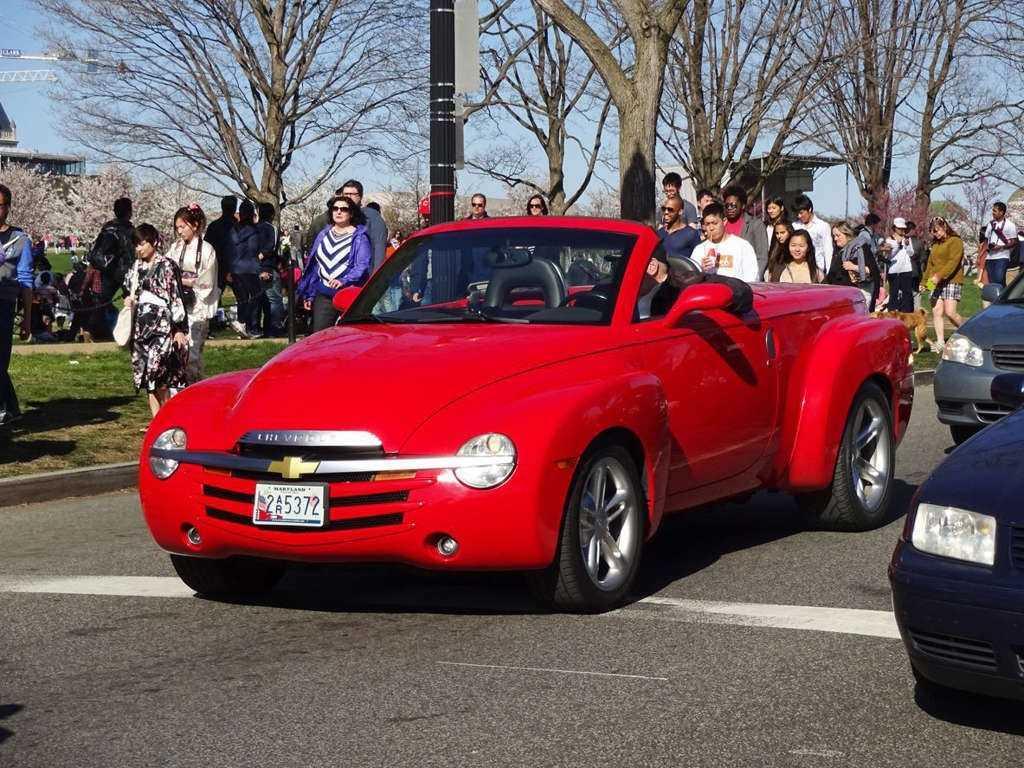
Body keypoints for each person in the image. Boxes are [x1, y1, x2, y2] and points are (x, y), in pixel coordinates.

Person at [124, 223, 190, 417]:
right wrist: (128, 299)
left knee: (158, 371)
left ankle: (168, 414)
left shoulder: (167, 266)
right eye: (136, 244)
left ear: (153, 242)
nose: (139, 248)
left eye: (142, 243)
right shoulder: (135, 268)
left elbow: (176, 297)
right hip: (140, 328)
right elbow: (128, 290)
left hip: (162, 327)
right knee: (146, 376)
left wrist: (178, 329)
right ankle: (157, 419)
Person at [297, 195, 372, 331]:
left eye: (343, 209)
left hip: (349, 296)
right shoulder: (323, 234)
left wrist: (344, 280)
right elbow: (315, 266)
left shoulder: (360, 236)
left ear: (351, 213)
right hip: (324, 294)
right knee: (320, 335)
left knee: (347, 336)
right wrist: (310, 294)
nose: (338, 212)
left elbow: (362, 265)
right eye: (335, 208)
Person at [166, 204, 218, 384]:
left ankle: (194, 384)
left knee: (193, 350)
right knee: (177, 347)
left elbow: (208, 280)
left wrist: (187, 282)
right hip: (178, 303)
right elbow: (166, 269)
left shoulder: (207, 250)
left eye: (183, 227)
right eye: (177, 227)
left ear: (195, 225)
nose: (179, 231)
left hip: (198, 305)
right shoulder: (175, 248)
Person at [0, 182, 34, 426]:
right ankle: (10, 408)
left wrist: (27, 320)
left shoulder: (20, 240)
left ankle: (7, 409)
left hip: (4, 303)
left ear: (8, 208)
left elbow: (25, 280)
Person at [87, 197, 135, 334]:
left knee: (101, 302)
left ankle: (93, 330)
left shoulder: (108, 228)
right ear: (129, 212)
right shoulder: (128, 230)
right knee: (132, 300)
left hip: (107, 270)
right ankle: (132, 330)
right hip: (124, 270)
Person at [688, 202, 760, 282]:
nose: (711, 228)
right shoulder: (700, 250)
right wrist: (701, 270)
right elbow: (691, 280)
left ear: (724, 221)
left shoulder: (742, 246)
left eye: (714, 223)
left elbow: (752, 277)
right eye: (707, 224)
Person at [923, 217, 965, 352]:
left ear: (944, 227)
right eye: (933, 232)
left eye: (937, 230)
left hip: (951, 280)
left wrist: (939, 276)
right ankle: (940, 342)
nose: (935, 234)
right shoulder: (935, 245)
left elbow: (953, 262)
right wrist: (925, 283)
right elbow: (930, 265)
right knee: (937, 311)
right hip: (935, 281)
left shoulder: (956, 241)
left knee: (950, 313)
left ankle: (969, 332)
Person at [229, 201, 265, 338]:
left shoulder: (233, 230)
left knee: (242, 298)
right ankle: (244, 323)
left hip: (235, 267)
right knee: (255, 296)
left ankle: (243, 326)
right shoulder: (254, 230)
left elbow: (230, 248)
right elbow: (253, 248)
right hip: (249, 267)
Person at [722, 186, 769, 278]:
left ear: (743, 205)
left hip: (749, 280)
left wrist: (754, 279)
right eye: (727, 206)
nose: (729, 208)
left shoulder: (755, 225)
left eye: (733, 205)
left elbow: (762, 257)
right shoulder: (721, 225)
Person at [830, 221, 880, 308]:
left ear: (847, 234)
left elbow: (873, 271)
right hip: (842, 296)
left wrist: (853, 267)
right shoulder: (839, 252)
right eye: (834, 236)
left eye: (838, 235)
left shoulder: (860, 247)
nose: (835, 239)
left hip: (860, 295)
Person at [256, 201, 284, 336]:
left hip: (254, 268)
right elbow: (271, 247)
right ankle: (274, 328)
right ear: (272, 214)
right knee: (274, 300)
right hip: (268, 266)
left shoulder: (253, 228)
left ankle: (259, 328)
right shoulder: (271, 228)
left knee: (260, 300)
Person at [792, 194, 833, 275]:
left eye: (801, 213)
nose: (799, 216)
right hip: (798, 269)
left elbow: (828, 250)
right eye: (797, 213)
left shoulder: (823, 226)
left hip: (818, 269)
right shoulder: (795, 226)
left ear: (809, 209)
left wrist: (828, 272)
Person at [983, 201, 1017, 295]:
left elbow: (1014, 241)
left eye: (995, 211)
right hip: (990, 256)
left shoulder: (1010, 225)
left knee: (999, 278)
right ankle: (1000, 297)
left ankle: (1005, 295)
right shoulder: (990, 224)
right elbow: (986, 239)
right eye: (992, 210)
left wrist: (1001, 247)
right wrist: (986, 249)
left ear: (1001, 212)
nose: (992, 213)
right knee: (992, 281)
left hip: (1002, 256)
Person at [883, 217, 916, 312]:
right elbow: (890, 255)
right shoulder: (889, 239)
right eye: (899, 228)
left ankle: (907, 315)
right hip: (894, 270)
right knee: (894, 294)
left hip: (906, 270)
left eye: (903, 228)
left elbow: (911, 253)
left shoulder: (907, 239)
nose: (902, 230)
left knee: (907, 295)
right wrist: (898, 244)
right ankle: (892, 314)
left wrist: (907, 245)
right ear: (894, 228)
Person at [205, 195, 236, 291]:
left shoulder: (213, 226)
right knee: (244, 300)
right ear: (234, 208)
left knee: (214, 299)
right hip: (234, 266)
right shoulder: (238, 226)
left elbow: (207, 247)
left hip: (217, 266)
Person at [656, 197, 699, 263]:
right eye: (664, 209)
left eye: (670, 209)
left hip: (683, 272)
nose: (666, 212)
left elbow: (698, 260)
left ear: (680, 212)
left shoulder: (691, 234)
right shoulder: (660, 233)